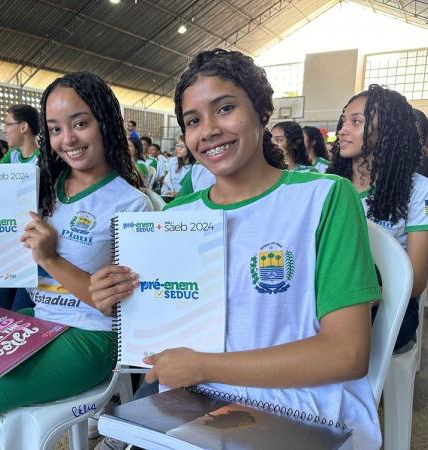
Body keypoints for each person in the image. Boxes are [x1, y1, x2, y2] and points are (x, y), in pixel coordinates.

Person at [90, 48, 382, 449]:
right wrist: (118, 301)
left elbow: (346, 353)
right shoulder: (178, 214)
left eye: (224, 108)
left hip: (296, 407)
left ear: (262, 111)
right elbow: (161, 322)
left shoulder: (323, 199)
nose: (207, 129)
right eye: (193, 120)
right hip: (189, 402)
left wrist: (204, 365)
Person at [0, 71, 152, 450]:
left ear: (106, 124)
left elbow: (118, 306)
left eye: (80, 123)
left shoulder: (130, 204)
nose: (67, 139)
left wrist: (50, 259)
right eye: (54, 129)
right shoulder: (37, 187)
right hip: (36, 323)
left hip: (90, 337)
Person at [328, 84, 428, 352]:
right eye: (344, 121)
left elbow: (414, 282)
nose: (342, 130)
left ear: (388, 130)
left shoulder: (420, 189)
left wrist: (352, 300)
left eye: (356, 122)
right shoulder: (328, 184)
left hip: (388, 305)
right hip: (330, 296)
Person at [160, 136, 194, 201]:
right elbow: (166, 182)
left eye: (181, 147)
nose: (177, 149)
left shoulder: (195, 166)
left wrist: (178, 193)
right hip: (170, 197)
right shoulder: (173, 162)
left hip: (184, 199)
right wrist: (166, 192)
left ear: (190, 148)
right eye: (177, 146)